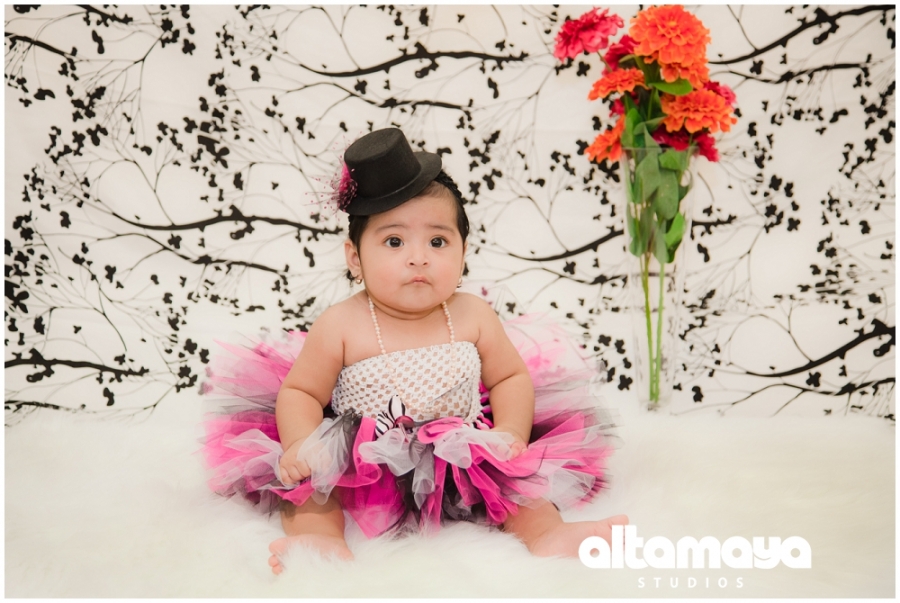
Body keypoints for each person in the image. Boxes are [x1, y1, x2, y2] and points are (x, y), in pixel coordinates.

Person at [202, 128, 627, 575]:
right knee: (311, 490)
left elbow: (510, 378)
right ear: (354, 258)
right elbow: (301, 392)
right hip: (363, 462)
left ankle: (547, 534)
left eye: (438, 242)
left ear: (464, 252)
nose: (418, 257)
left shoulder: (473, 314)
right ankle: (320, 540)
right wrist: (302, 446)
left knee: (520, 486)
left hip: (462, 454)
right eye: (394, 242)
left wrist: (510, 433)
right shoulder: (341, 324)